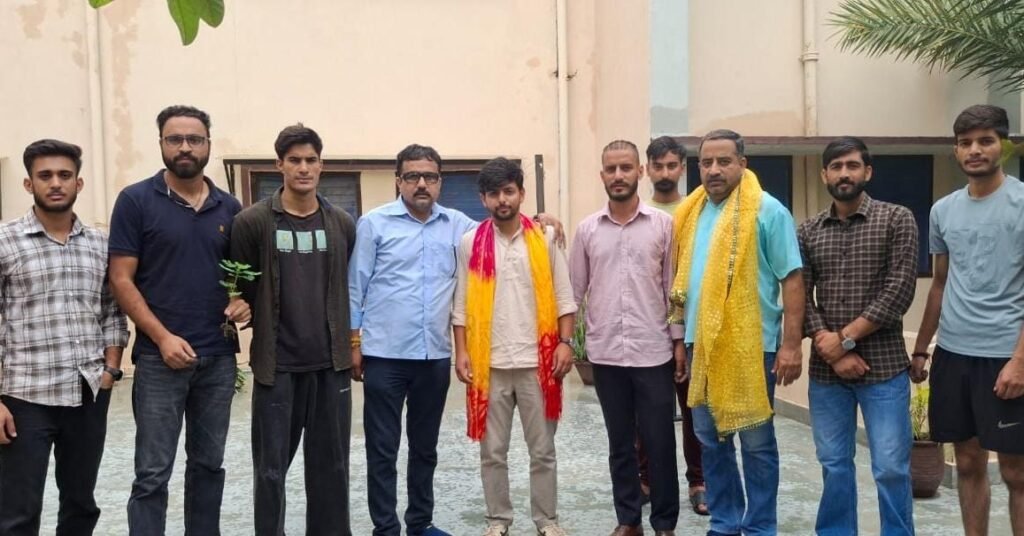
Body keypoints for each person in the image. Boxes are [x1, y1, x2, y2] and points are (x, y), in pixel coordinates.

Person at [109, 105, 251, 535]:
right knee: (152, 474)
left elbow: (240, 279)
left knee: (208, 466)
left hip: (218, 358)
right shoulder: (136, 201)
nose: (185, 147)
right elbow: (121, 279)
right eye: (175, 139)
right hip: (158, 360)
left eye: (194, 139)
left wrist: (243, 303)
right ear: (161, 144)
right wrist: (162, 337)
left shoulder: (231, 208)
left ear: (208, 144)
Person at [669, 129, 804, 536]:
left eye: (724, 161)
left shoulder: (767, 210)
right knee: (711, 439)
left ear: (742, 164)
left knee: (756, 442)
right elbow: (684, 286)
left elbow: (792, 279)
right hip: (701, 346)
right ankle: (725, 523)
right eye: (706, 162)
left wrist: (791, 345)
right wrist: (682, 341)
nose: (714, 170)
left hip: (752, 347)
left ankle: (760, 527)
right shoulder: (690, 213)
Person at [230, 124, 357, 535]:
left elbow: (349, 287)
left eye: (311, 160)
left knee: (332, 470)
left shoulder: (341, 223)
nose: (303, 168)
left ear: (321, 165)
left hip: (330, 367)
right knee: (270, 472)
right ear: (279, 165)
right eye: (295, 160)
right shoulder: (253, 222)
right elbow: (241, 288)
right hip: (278, 367)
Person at [0, 139, 129, 535]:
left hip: (87, 393)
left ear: (78, 183)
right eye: (45, 176)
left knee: (80, 505)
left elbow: (112, 310)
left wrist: (110, 370)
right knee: (18, 512)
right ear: (28, 184)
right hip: (24, 397)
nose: (55, 183)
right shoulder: (5, 242)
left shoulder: (100, 245)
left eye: (64, 175)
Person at [913, 104, 1024, 536]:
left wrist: (1019, 361)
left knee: (1016, 471)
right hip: (954, 354)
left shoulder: (1020, 203)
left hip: (1006, 354)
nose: (975, 150)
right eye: (965, 143)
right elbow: (940, 284)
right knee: (966, 462)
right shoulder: (943, 210)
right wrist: (922, 350)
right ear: (956, 151)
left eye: (985, 141)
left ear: (1003, 146)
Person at [800, 136, 918, 535]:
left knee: (890, 468)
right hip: (827, 374)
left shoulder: (896, 219)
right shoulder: (808, 231)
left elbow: (899, 290)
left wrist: (844, 339)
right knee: (834, 465)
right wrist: (832, 350)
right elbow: (801, 297)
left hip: (884, 370)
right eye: (836, 166)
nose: (844, 173)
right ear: (824, 175)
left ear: (867, 171)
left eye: (852, 165)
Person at [452, 157, 576, 536]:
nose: (502, 200)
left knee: (543, 451)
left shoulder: (546, 238)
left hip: (538, 363)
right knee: (492, 452)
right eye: (494, 194)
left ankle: (547, 520)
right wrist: (462, 352)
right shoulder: (470, 243)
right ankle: (498, 519)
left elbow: (564, 296)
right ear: (483, 199)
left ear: (521, 193)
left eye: (509, 191)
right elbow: (461, 304)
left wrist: (565, 343)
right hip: (489, 365)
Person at [569, 140, 684, 536]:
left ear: (640, 172)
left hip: (653, 352)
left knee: (660, 441)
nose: (618, 176)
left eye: (626, 168)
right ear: (602, 175)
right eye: (611, 169)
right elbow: (574, 292)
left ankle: (665, 523)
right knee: (620, 444)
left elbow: (672, 288)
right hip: (606, 355)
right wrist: (566, 343)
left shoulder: (662, 226)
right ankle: (629, 519)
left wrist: (678, 342)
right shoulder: (588, 230)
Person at [637, 135, 707, 516]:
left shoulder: (698, 210)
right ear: (647, 169)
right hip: (649, 330)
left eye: (671, 165)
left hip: (693, 328)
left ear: (683, 168)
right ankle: (645, 478)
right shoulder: (639, 213)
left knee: (694, 411)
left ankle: (699, 481)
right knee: (647, 414)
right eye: (658, 166)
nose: (665, 172)